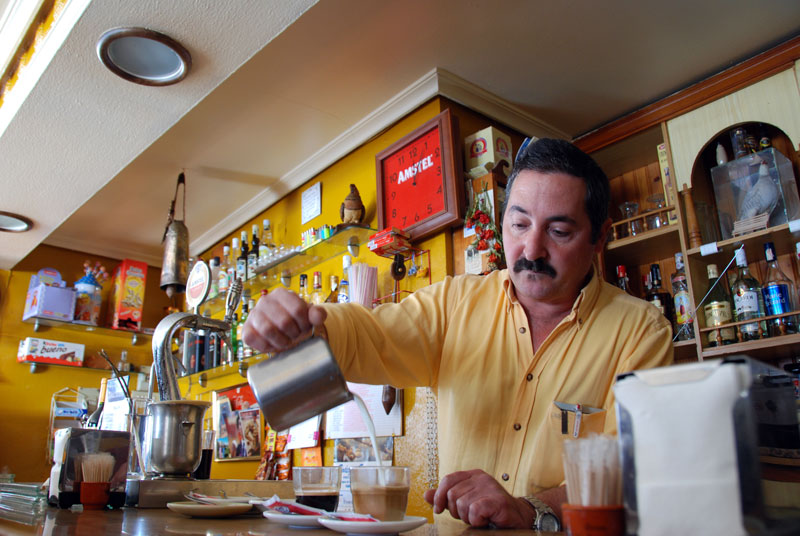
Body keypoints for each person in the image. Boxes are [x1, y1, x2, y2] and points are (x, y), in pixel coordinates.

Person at [243, 137, 673, 529]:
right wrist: (305, 324)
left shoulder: (639, 331)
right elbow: (367, 335)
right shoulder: (455, 303)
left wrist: (529, 509)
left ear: (599, 237)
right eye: (519, 224)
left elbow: (630, 469)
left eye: (559, 232)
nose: (531, 250)